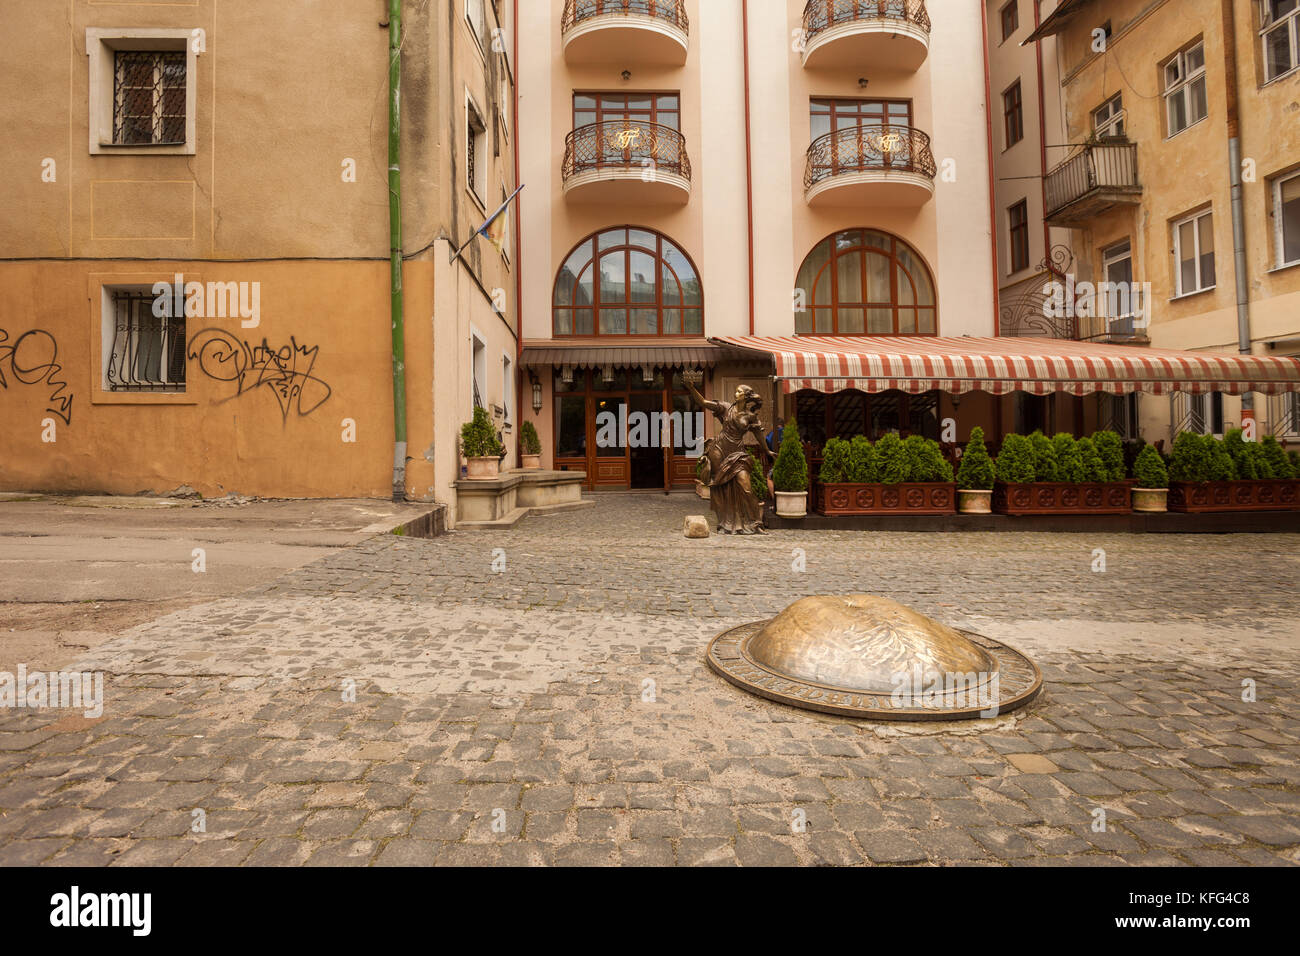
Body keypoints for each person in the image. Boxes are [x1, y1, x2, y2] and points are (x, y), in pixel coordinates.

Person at [684, 380, 773, 534]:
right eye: (736, 391)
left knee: (746, 487)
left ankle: (755, 523)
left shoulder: (751, 416)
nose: (735, 393)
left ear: (746, 396)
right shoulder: (726, 407)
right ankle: (726, 523)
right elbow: (703, 402)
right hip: (719, 449)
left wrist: (768, 451)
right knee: (720, 487)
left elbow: (759, 435)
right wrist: (691, 388)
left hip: (738, 454)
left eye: (739, 392)